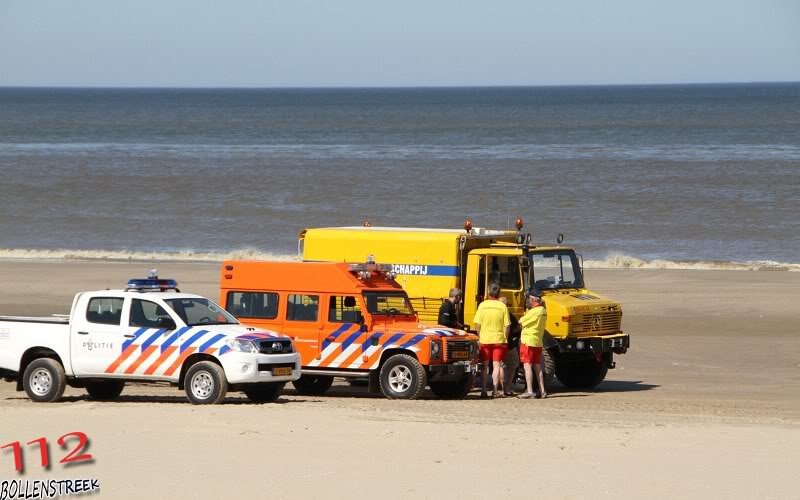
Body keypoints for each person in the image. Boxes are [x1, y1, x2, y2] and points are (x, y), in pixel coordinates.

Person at [473, 282, 510, 398]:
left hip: (485, 339)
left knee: (484, 366)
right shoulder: (502, 306)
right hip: (499, 339)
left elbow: (477, 325)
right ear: (498, 294)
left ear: (488, 293)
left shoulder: (482, 306)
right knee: (497, 365)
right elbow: (507, 325)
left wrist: (479, 335)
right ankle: (494, 389)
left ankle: (483, 389)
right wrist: (505, 337)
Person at [518, 292, 548, 399]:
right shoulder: (543, 311)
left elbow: (521, 321)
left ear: (532, 299)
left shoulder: (534, 311)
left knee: (527, 366)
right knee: (538, 367)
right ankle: (542, 390)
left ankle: (530, 390)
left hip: (528, 341)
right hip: (538, 342)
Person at [499, 296, 520, 396]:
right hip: (510, 345)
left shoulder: (496, 315)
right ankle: (507, 387)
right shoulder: (510, 315)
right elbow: (516, 329)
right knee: (513, 366)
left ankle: (502, 389)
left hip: (498, 344)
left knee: (501, 366)